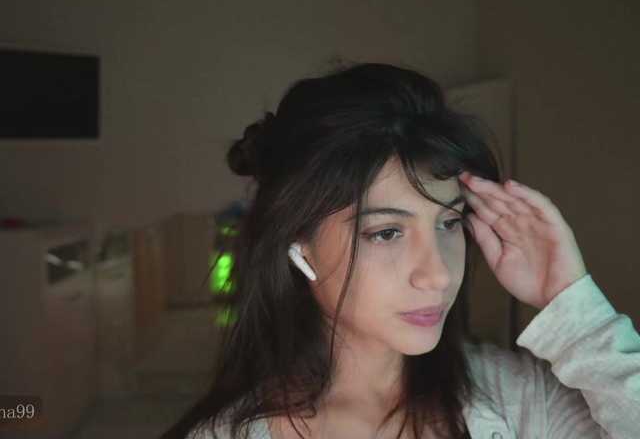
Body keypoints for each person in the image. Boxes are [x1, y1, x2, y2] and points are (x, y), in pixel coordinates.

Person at [162, 62, 640, 439]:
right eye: (387, 232)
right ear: (299, 245)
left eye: (449, 223)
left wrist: (574, 307)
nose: (438, 274)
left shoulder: (521, 401)